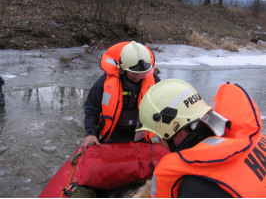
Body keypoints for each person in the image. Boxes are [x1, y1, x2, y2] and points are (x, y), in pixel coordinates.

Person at [135, 79, 266, 198]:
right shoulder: (253, 139)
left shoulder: (194, 186)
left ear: (175, 133)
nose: (160, 143)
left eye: (158, 136)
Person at [81, 41, 160, 152]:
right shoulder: (104, 82)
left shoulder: (154, 81)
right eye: (134, 73)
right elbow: (91, 108)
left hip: (140, 136)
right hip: (113, 135)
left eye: (143, 73)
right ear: (123, 68)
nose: (139, 77)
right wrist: (91, 133)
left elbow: (164, 107)